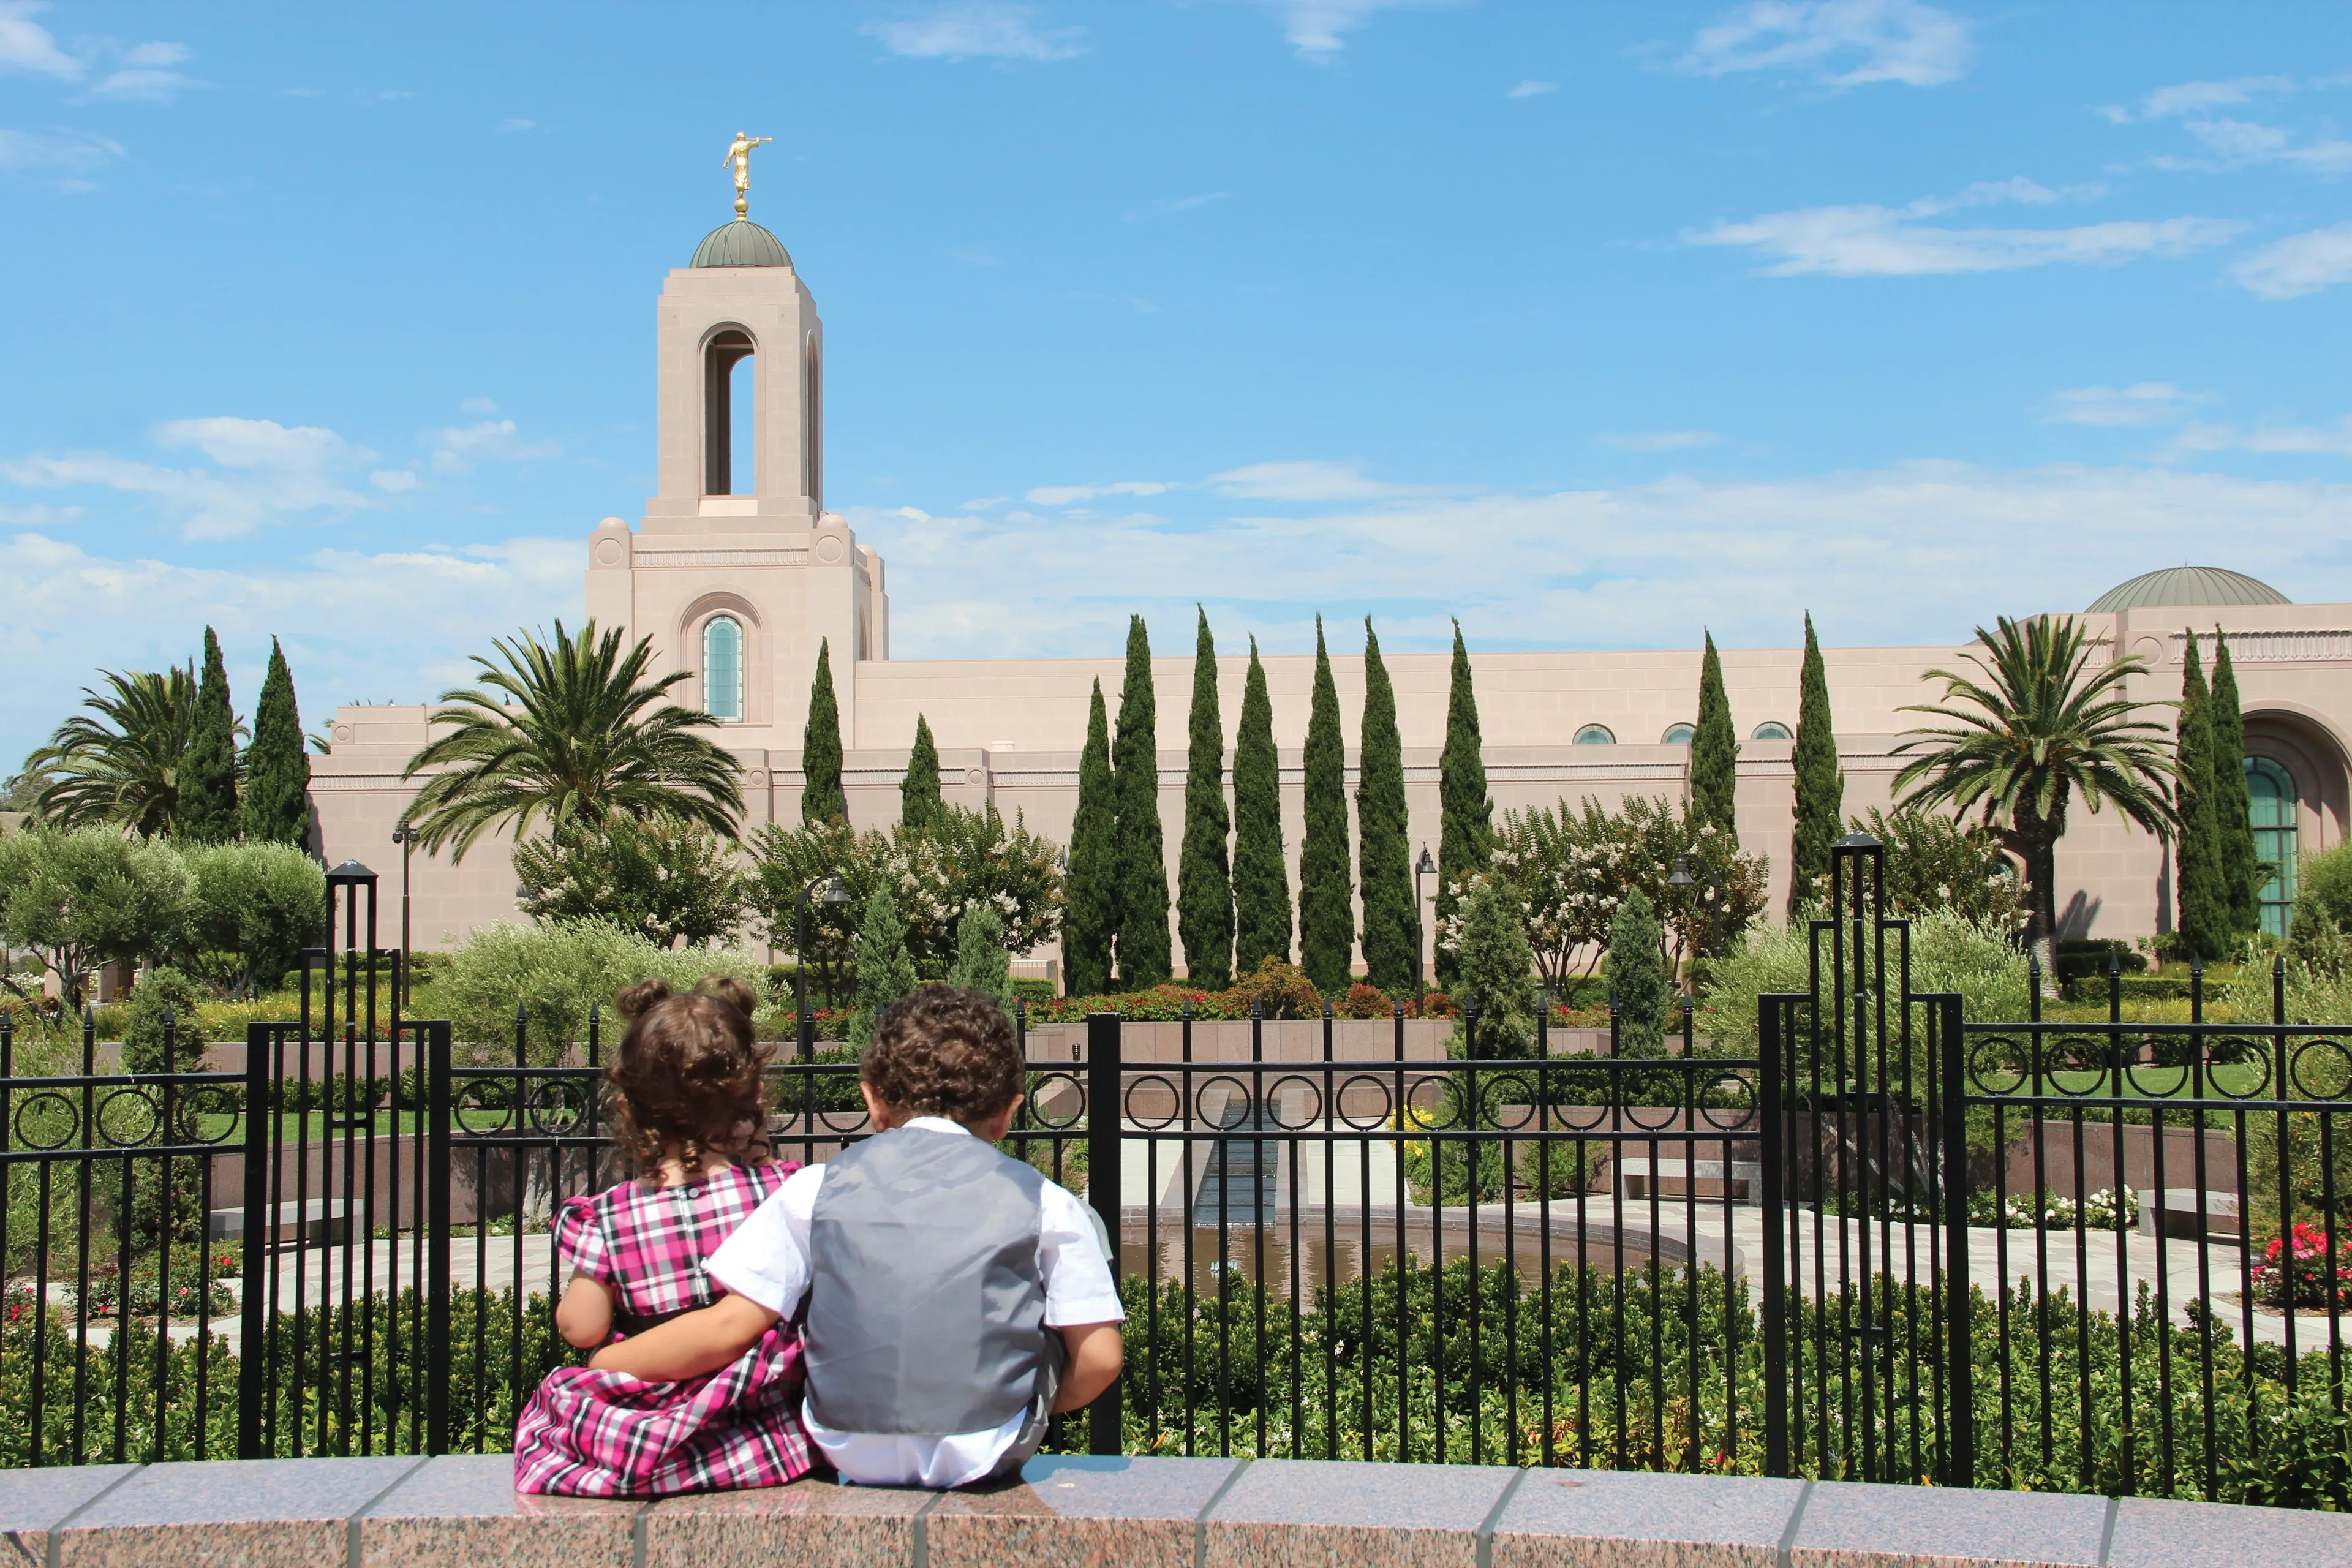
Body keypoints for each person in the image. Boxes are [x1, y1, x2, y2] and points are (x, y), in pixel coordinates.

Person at [589, 982, 1123, 1488]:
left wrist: (603, 1364)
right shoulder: (1047, 1201)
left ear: (872, 1099)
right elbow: (1100, 1359)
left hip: (842, 1439)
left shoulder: (814, 1188)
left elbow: (730, 1326)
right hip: (985, 1444)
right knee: (1047, 1314)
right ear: (1009, 1112)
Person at [510, 976, 812, 1496]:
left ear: (627, 1102)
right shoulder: (780, 1193)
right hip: (762, 1434)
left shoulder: (607, 1216)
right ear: (753, 1092)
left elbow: (582, 1329)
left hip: (646, 1433)